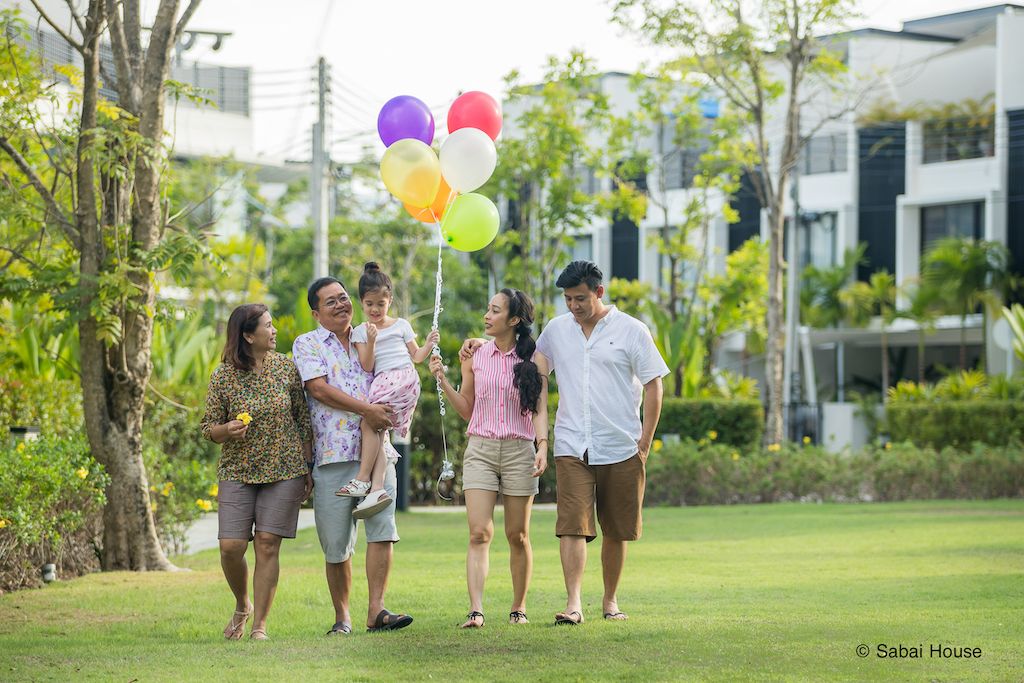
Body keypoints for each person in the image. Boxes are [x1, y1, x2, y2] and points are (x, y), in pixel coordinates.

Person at [292, 276, 414, 635]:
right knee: (336, 543)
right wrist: (367, 410)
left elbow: (400, 368)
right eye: (330, 301)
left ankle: (377, 611)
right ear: (316, 313)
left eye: (343, 297)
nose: (341, 304)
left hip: (377, 452)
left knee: (382, 530)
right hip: (333, 454)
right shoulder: (307, 343)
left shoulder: (370, 335)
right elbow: (318, 389)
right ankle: (342, 617)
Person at [430, 289, 549, 628]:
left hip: (519, 451)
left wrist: (542, 445)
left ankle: (518, 608)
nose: (487, 315)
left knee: (518, 535)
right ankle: (476, 610)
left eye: (495, 311)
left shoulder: (534, 360)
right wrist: (442, 380)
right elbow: (467, 409)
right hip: (480, 450)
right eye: (487, 309)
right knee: (479, 533)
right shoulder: (476, 355)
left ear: (514, 320)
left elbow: (539, 408)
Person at [200, 303, 314, 641]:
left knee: (267, 544)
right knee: (231, 545)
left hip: (285, 467)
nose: (274, 330)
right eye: (267, 325)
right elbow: (208, 428)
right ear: (248, 336)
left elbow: (302, 419)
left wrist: (308, 466)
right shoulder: (223, 376)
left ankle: (260, 626)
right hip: (238, 469)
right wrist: (226, 430)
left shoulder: (286, 368)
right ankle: (242, 604)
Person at [336, 262, 439, 519]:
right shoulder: (361, 332)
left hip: (403, 379)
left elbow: (417, 356)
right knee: (376, 430)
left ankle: (363, 479)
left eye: (380, 304)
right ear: (361, 302)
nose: (375, 309)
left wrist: (428, 344)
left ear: (389, 301)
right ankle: (377, 489)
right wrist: (371, 341)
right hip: (383, 380)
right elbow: (367, 365)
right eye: (369, 304)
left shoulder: (401, 325)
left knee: (369, 422)